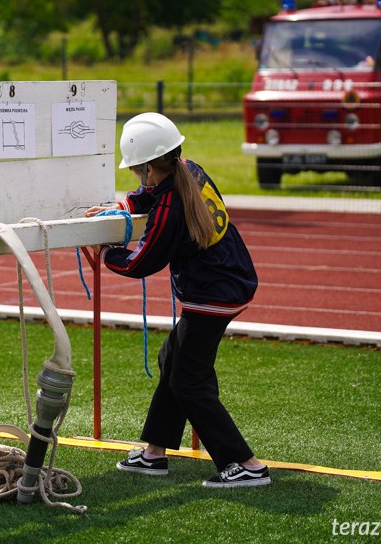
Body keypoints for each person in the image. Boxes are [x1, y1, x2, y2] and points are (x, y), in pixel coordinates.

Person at [85, 112, 269, 488]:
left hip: (213, 292)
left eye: (139, 171)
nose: (138, 178)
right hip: (228, 279)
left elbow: (141, 261)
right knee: (174, 359)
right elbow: (148, 197)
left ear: (152, 167)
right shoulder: (187, 168)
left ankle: (246, 465)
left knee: (188, 380)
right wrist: (121, 208)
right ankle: (155, 453)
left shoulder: (170, 206)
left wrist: (104, 253)